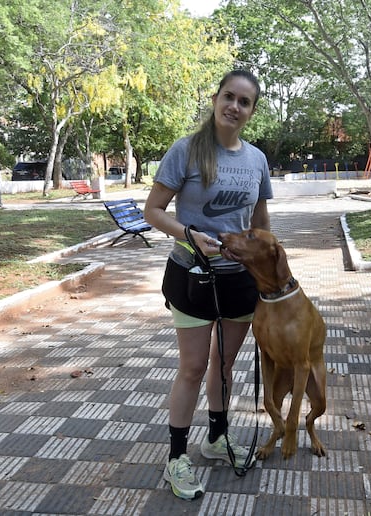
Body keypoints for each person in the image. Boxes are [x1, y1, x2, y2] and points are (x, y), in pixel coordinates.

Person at [143, 69, 272, 501]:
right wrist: (187, 235)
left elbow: (261, 225)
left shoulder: (256, 160)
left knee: (223, 366)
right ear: (216, 99)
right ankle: (176, 456)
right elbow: (153, 210)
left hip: (239, 283)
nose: (234, 106)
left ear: (252, 111)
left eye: (244, 102)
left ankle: (216, 439)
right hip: (192, 275)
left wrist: (267, 273)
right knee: (194, 367)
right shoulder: (186, 151)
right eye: (228, 97)